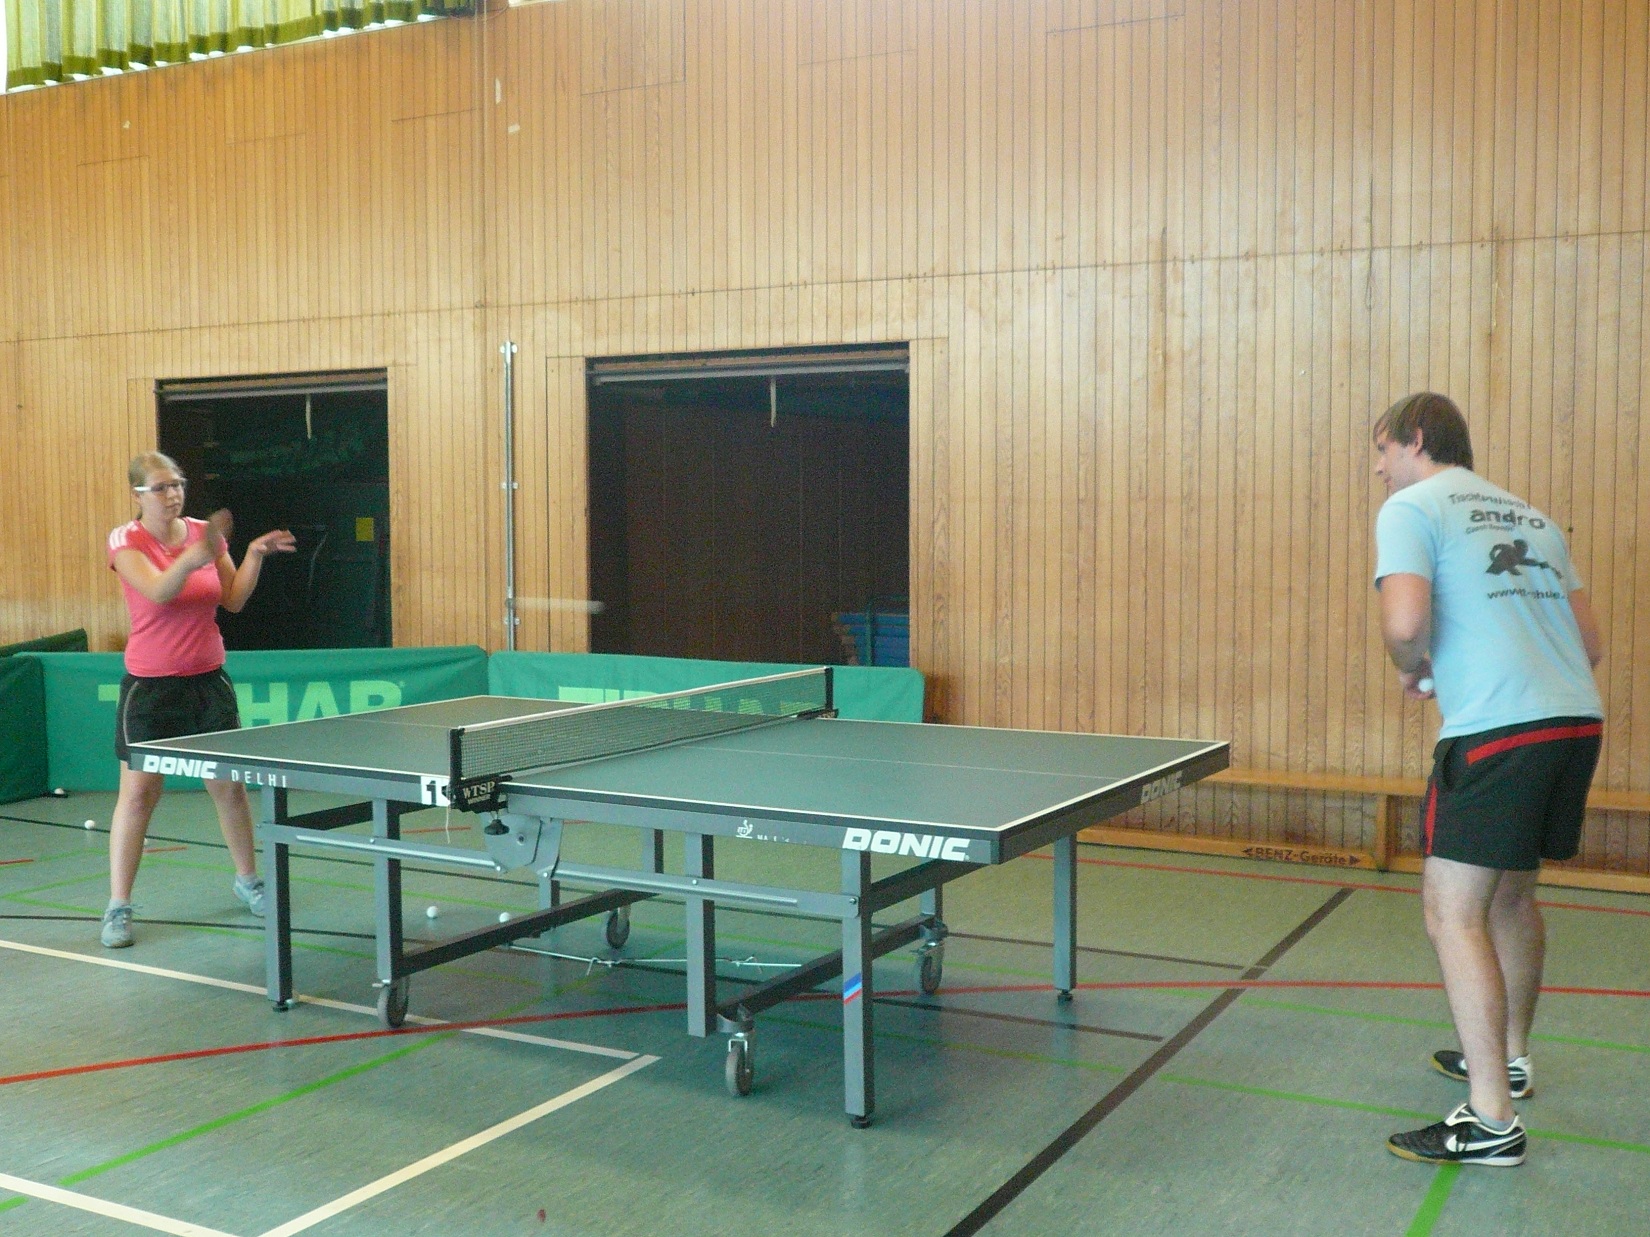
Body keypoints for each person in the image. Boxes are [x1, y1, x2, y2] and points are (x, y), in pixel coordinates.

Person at [1371, 393, 1604, 1167]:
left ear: (1415, 438)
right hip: (1573, 722)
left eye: (1382, 450)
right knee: (1510, 898)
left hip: (1499, 731)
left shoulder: (1412, 508)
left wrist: (1413, 667)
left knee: (1453, 910)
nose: (1378, 469)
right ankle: (1510, 1059)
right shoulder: (1534, 519)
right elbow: (1590, 643)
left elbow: (1405, 624)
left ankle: (1492, 1119)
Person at [102, 451, 296, 948]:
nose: (173, 494)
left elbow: (233, 599)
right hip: (150, 688)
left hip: (208, 683)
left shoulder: (204, 534)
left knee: (229, 789)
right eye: (161, 487)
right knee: (139, 796)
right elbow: (158, 592)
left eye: (178, 484)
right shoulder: (126, 541)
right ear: (137, 494)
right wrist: (192, 558)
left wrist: (252, 554)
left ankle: (249, 881)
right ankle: (118, 905)